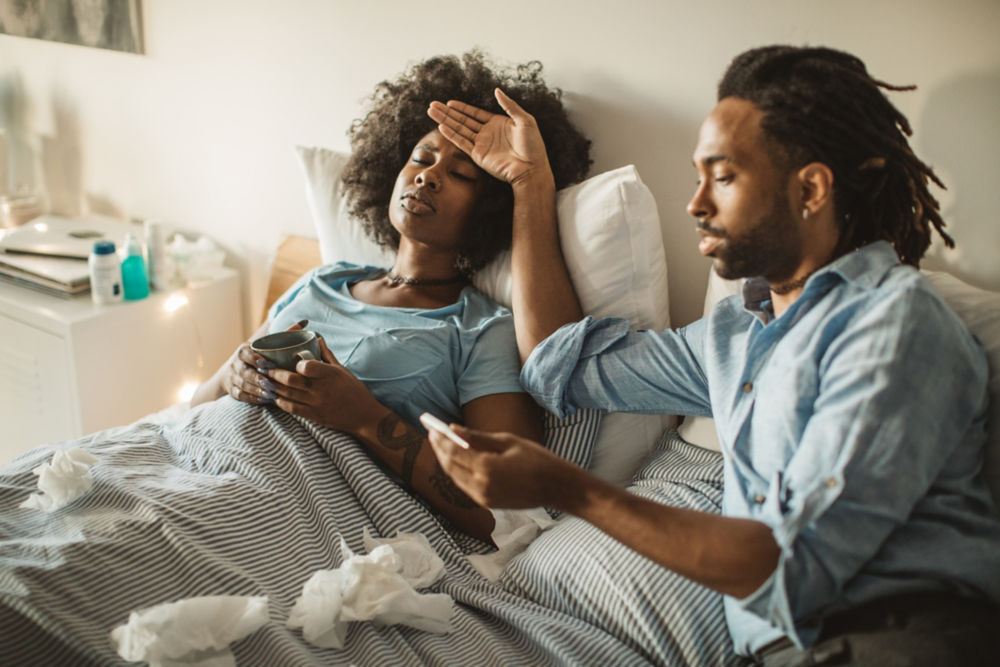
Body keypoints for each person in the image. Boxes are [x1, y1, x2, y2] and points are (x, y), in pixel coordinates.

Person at [427, 45, 1000, 664]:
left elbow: (788, 568)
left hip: (902, 640)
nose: (696, 204)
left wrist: (570, 489)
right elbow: (563, 367)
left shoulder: (891, 326)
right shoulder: (739, 332)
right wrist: (529, 184)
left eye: (722, 178)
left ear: (810, 188)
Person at [190, 50, 591, 542]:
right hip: (195, 461)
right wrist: (234, 373)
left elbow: (509, 512)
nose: (427, 175)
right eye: (421, 158)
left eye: (461, 174)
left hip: (284, 512)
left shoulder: (480, 331)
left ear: (491, 209)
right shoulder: (323, 279)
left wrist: (364, 417)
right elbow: (195, 405)